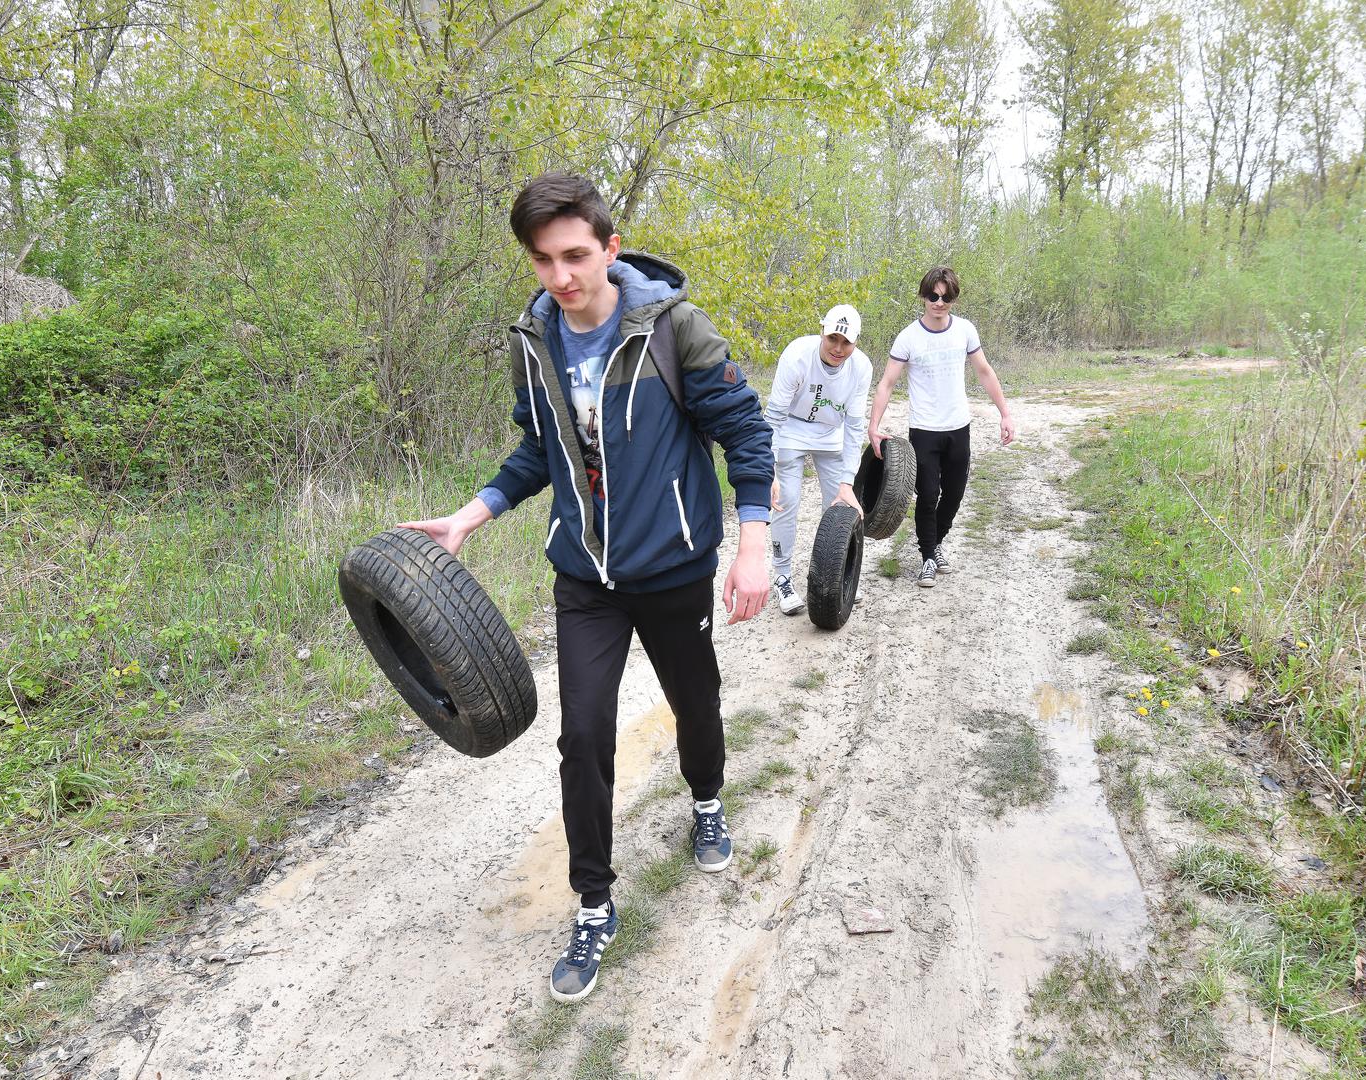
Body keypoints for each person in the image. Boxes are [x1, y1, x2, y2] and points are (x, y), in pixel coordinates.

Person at [400, 172, 774, 1004]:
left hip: (675, 565)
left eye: (576, 255)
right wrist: (472, 515)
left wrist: (753, 545)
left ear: (610, 247)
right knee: (584, 738)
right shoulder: (532, 341)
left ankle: (707, 800)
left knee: (697, 703)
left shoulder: (674, 329)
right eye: (543, 261)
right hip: (586, 578)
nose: (562, 277)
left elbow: (745, 431)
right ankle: (595, 901)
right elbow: (538, 450)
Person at [867, 266, 1014, 588]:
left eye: (946, 297)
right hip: (924, 428)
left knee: (955, 493)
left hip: (958, 425)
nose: (939, 302)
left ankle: (935, 543)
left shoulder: (965, 331)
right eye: (933, 296)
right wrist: (873, 427)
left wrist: (1004, 413)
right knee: (928, 494)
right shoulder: (908, 336)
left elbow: (984, 372)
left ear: (953, 299)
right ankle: (928, 558)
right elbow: (887, 383)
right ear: (924, 296)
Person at [763, 304, 871, 614]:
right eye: (833, 339)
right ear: (822, 331)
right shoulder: (797, 355)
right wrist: (768, 471)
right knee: (787, 500)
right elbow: (773, 418)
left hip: (830, 434)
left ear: (856, 341)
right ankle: (783, 576)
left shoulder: (861, 367)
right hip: (790, 430)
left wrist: (848, 482)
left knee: (839, 506)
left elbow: (854, 427)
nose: (838, 348)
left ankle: (836, 574)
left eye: (846, 342)